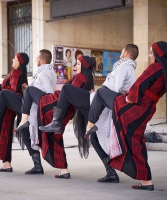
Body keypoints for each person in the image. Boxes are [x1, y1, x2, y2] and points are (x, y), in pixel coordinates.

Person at [40, 44, 139, 182]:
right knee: (95, 139)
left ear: (127, 53)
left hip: (98, 103)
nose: (120, 54)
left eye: (79, 64)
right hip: (97, 103)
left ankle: (56, 122)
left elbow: (116, 89)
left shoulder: (124, 66)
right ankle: (111, 172)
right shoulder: (126, 68)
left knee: (67, 90)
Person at [85, 41, 167, 191]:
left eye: (151, 52)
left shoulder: (156, 67)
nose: (149, 55)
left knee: (101, 92)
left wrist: (129, 97)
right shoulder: (165, 71)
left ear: (157, 54)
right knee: (136, 141)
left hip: (134, 108)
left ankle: (90, 124)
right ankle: (146, 180)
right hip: (148, 109)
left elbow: (140, 84)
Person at [0, 49, 57, 174]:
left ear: (42, 60)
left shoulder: (39, 73)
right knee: (25, 134)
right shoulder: (45, 72)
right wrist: (27, 88)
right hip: (28, 106)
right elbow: (37, 90)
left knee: (4, 94)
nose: (12, 60)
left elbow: (48, 93)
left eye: (14, 58)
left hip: (30, 107)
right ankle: (37, 165)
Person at [15, 56, 95, 178]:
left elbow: (67, 93)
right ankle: (64, 171)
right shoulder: (87, 80)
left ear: (84, 66)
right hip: (62, 110)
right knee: (55, 137)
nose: (75, 66)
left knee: (29, 90)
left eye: (78, 64)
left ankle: (24, 120)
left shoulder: (80, 78)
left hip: (53, 104)